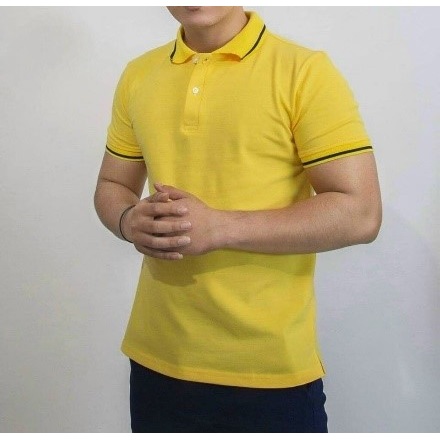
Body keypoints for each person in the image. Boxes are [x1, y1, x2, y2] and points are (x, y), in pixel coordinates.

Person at [94, 6, 382, 433]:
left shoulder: (304, 71)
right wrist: (126, 219)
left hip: (270, 374)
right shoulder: (139, 74)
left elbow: (361, 213)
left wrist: (220, 228)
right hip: (157, 363)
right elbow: (112, 184)